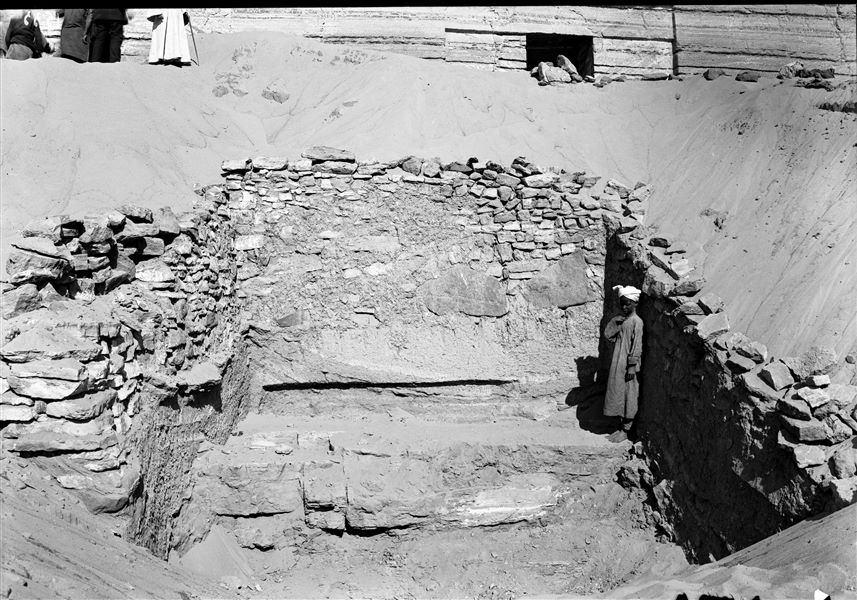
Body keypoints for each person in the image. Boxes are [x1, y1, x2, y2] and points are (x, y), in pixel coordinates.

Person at [603, 285, 643, 441]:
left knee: (629, 395)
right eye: (622, 304)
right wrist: (615, 321)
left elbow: (637, 344)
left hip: (627, 365)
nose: (625, 307)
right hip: (618, 363)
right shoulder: (625, 321)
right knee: (618, 393)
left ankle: (626, 430)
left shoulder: (636, 322)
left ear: (635, 303)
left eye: (627, 303)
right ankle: (620, 427)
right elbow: (609, 335)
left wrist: (632, 366)